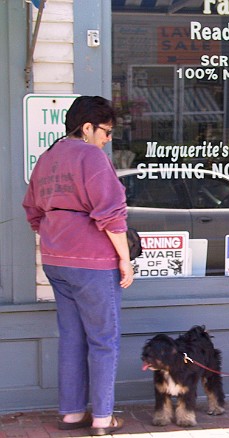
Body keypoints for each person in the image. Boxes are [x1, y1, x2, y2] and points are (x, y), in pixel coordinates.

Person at [22, 96, 132, 435]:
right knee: (103, 339)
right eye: (106, 131)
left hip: (57, 262)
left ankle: (70, 414)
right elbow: (112, 215)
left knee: (71, 337)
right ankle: (102, 419)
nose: (107, 138)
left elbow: (32, 210)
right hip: (94, 264)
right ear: (87, 127)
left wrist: (60, 236)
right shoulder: (92, 158)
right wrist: (125, 260)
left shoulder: (48, 158)